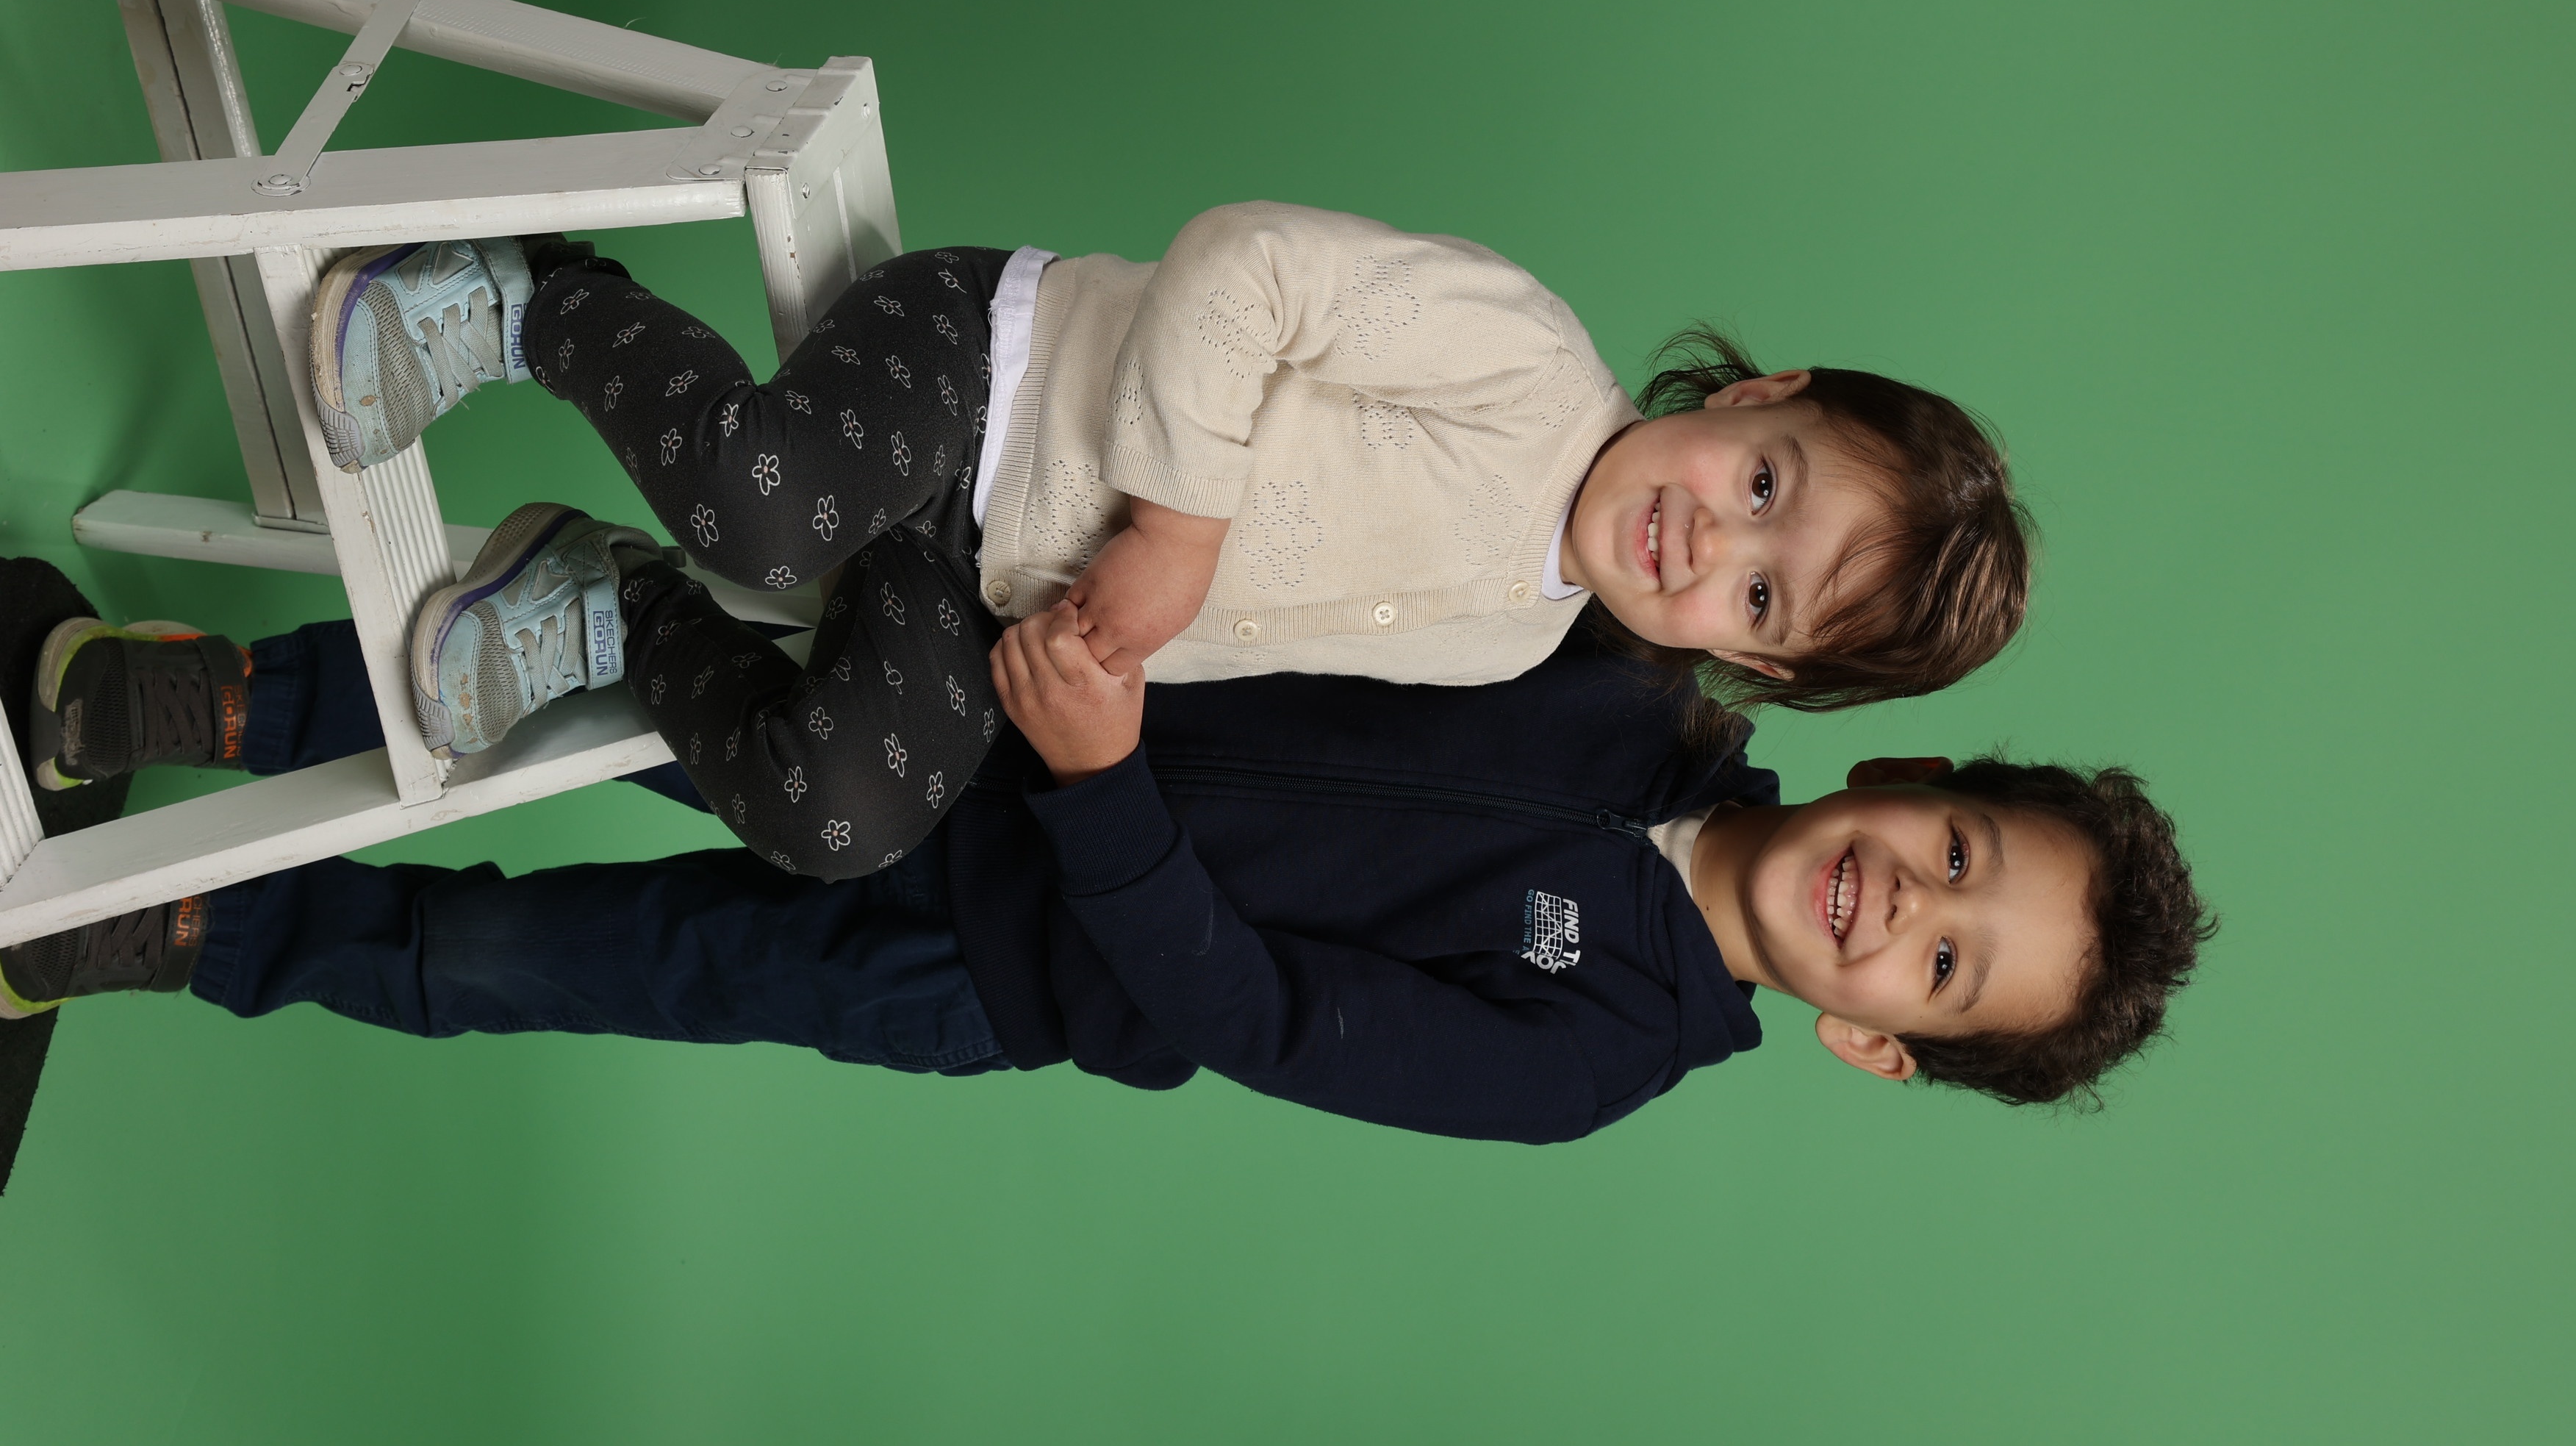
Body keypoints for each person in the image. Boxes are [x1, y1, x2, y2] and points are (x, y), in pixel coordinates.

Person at [1, 597, 2210, 1137]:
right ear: (1909, 767)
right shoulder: (1620, 673)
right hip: (960, 712)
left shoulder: (1596, 1052)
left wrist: (1105, 793)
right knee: (589, 689)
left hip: (980, 971)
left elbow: (1262, 1015)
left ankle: (190, 925)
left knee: (546, 959)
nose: (1908, 903)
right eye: (1956, 850)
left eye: (1945, 964)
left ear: (1873, 1042)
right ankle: (204, 704)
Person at [267, 204, 2031, 875]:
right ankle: (535, 298)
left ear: (1747, 658)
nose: (1707, 537)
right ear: (1760, 394)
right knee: (770, 504)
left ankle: (609, 607)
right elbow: (1242, 263)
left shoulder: (1515, 635)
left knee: (843, 815)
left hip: (986, 581)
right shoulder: (1527, 360)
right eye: (1765, 483)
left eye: (1757, 590)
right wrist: (1177, 523)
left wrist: (1111, 676)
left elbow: (1255, 638)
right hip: (992, 375)